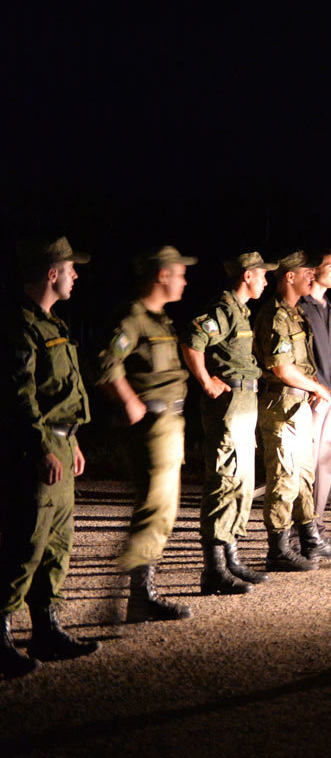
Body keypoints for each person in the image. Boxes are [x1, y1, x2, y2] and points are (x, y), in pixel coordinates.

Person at [2, 237, 100, 678]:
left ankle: (45, 628)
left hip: (60, 443)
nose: (76, 275)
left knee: (57, 543)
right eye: (70, 268)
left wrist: (71, 439)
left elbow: (59, 394)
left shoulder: (52, 324)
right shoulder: (20, 327)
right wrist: (40, 444)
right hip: (36, 448)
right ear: (50, 273)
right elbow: (20, 395)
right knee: (26, 542)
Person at [97, 246, 197, 622]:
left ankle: (140, 591)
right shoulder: (133, 317)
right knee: (155, 508)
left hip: (171, 422)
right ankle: (137, 593)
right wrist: (127, 400)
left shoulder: (161, 320)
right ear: (162, 275)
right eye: (179, 273)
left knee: (163, 509)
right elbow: (105, 361)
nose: (184, 280)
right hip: (153, 425)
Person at [183, 251, 277, 596]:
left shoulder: (240, 312)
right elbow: (192, 341)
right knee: (224, 480)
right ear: (248, 275)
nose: (266, 281)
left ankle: (231, 556)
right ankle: (214, 569)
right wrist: (206, 381)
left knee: (241, 480)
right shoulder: (223, 310)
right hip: (230, 403)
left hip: (245, 400)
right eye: (262, 275)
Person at [253, 251, 331, 571]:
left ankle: (309, 540)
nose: (313, 277)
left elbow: (301, 364)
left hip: (298, 403)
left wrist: (312, 384)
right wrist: (316, 387)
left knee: (303, 475)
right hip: (282, 405)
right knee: (284, 478)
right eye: (307, 272)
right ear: (289, 276)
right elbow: (281, 368)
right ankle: (277, 549)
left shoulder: (294, 314)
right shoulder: (275, 316)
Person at [299, 248, 331, 518]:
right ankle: (302, 528)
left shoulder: (328, 307)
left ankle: (316, 525)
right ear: (314, 270)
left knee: (327, 462)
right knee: (308, 462)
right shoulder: (301, 307)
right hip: (314, 396)